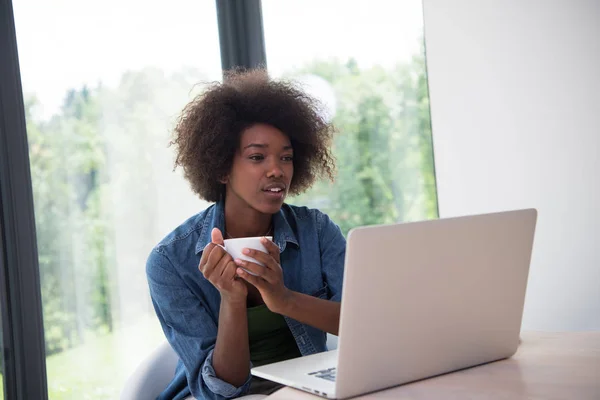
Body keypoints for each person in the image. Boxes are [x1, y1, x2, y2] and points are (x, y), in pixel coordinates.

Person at [146, 69, 346, 400]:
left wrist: (283, 299)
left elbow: (361, 325)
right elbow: (222, 388)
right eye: (257, 157)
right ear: (222, 167)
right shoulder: (170, 262)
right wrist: (232, 299)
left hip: (305, 390)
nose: (277, 169)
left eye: (286, 157)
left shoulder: (317, 231)